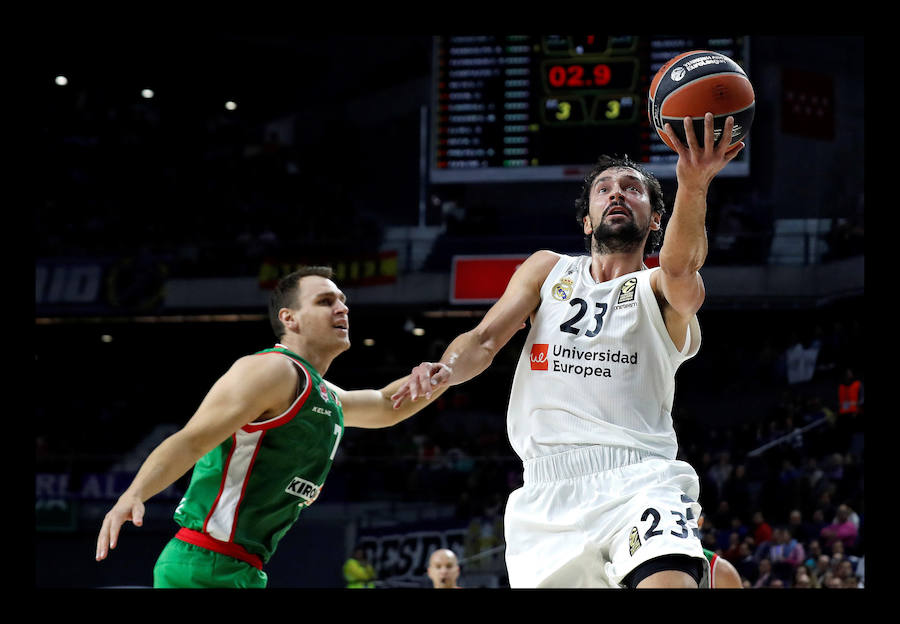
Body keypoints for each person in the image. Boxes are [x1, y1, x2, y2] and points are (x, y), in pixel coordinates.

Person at [392, 114, 745, 588]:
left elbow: (683, 270)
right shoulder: (547, 270)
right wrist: (445, 369)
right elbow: (483, 339)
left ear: (656, 219)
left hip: (641, 478)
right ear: (586, 219)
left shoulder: (659, 287)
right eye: (604, 189)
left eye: (632, 188)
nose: (617, 193)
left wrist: (693, 182)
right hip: (545, 495)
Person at [95, 266, 447, 588]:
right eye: (326, 301)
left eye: (343, 301)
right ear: (289, 318)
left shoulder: (322, 394)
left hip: (244, 568)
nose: (343, 308)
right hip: (204, 564)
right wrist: (135, 492)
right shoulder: (273, 370)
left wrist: (439, 374)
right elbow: (192, 439)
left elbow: (387, 406)